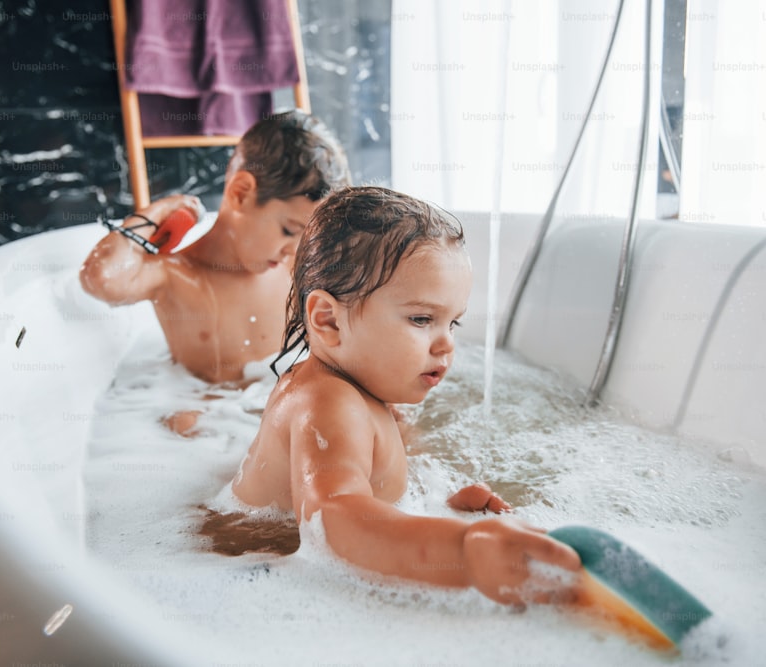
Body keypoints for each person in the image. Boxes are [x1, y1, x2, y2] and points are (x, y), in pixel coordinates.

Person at [231, 186, 581, 607]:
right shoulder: (327, 401)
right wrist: (466, 550)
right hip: (255, 582)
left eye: (453, 323)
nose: (446, 345)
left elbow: (361, 499)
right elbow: (335, 523)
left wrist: (440, 512)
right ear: (328, 321)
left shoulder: (357, 388)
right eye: (421, 318)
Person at [80, 109, 351, 388]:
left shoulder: (297, 271)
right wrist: (158, 212)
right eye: (289, 231)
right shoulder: (175, 275)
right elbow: (102, 279)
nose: (295, 251)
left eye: (307, 237)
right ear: (241, 193)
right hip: (214, 418)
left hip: (280, 413)